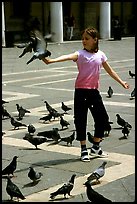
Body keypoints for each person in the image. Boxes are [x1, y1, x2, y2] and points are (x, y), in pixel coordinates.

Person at [40, 27, 129, 162]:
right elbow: (67, 57)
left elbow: (110, 71)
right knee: (80, 120)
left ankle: (96, 147)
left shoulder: (101, 55)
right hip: (81, 92)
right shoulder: (80, 54)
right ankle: (83, 149)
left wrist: (122, 82)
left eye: (87, 39)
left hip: (94, 92)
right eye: (83, 39)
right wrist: (51, 61)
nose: (84, 41)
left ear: (95, 40)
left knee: (102, 119)